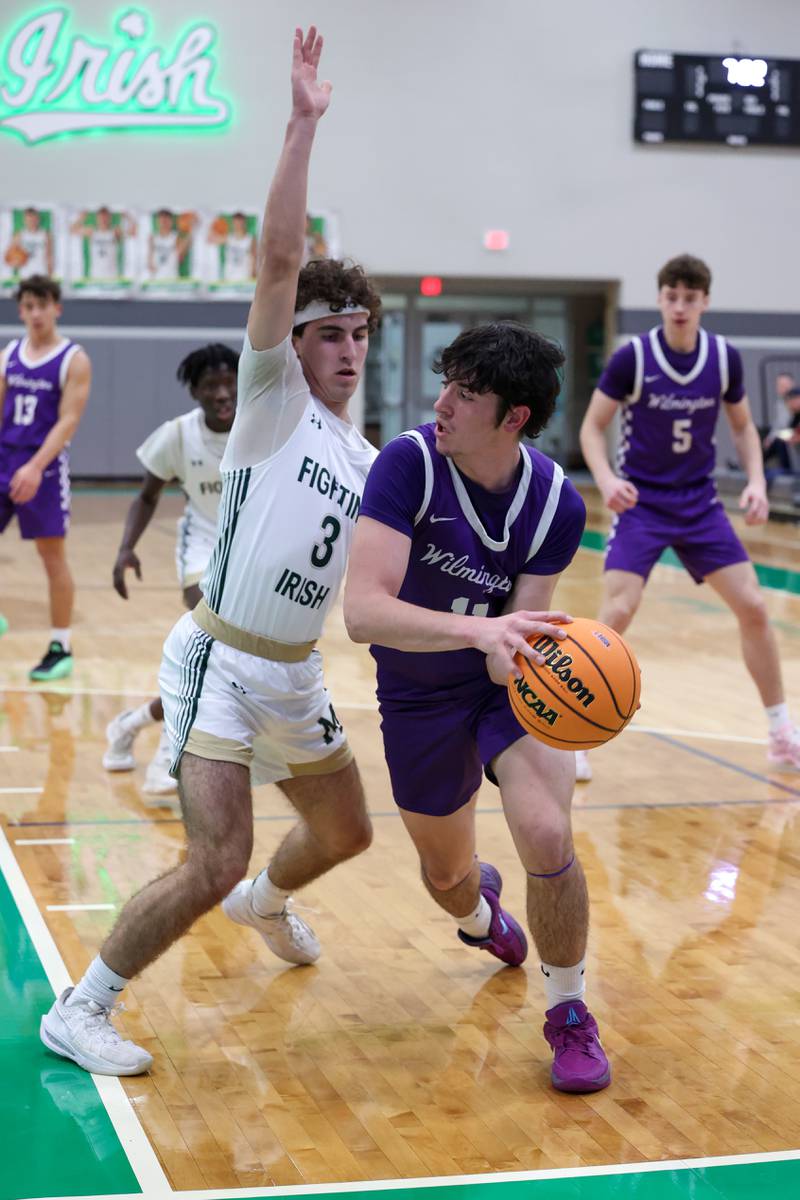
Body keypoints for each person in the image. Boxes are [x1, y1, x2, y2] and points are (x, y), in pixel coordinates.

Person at [41, 26, 381, 1076]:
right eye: (330, 332)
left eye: (359, 333)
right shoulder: (270, 399)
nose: (347, 349)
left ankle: (265, 903)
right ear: (296, 340)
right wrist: (299, 125)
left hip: (297, 671)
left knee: (346, 836)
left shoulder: (367, 457)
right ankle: (84, 1005)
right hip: (219, 661)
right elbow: (279, 257)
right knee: (211, 852)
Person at [343, 322, 611, 1095]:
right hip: (416, 693)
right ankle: (480, 915)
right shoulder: (409, 464)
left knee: (547, 829)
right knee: (447, 875)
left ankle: (569, 1014)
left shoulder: (556, 501)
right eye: (446, 384)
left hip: (506, 689)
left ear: (514, 417)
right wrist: (477, 630)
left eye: (466, 392)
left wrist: (502, 648)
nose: (442, 404)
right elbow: (363, 611)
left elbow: (518, 631)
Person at [578, 253, 800, 783]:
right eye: (671, 297)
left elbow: (744, 429)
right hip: (643, 503)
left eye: (690, 298)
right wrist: (608, 481)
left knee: (752, 606)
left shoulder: (724, 359)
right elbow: (592, 428)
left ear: (704, 302)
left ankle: (779, 732)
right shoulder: (633, 358)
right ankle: (574, 735)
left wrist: (755, 482)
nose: (680, 307)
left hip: (699, 503)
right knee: (620, 611)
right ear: (659, 299)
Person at [103, 343, 239, 799]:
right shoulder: (178, 435)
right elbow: (146, 496)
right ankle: (167, 756)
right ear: (195, 391)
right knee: (212, 645)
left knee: (222, 664)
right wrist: (125, 548)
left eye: (228, 382)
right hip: (200, 550)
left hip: (249, 554)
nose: (222, 393)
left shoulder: (260, 429)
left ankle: (132, 723)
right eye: (210, 385)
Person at [0, 275, 91, 680]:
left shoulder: (73, 359)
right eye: (28, 306)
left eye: (43, 305)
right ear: (20, 311)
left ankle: (60, 645)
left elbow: (68, 420)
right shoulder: (9, 355)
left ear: (57, 307)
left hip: (45, 468)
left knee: (51, 557)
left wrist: (35, 466)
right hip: (4, 458)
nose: (35, 313)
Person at [70, 207, 135, 282]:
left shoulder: (115, 232)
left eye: (106, 217)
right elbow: (72, 230)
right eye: (101, 217)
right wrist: (81, 218)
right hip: (95, 275)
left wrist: (127, 217)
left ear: (110, 218)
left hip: (112, 275)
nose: (103, 220)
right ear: (97, 218)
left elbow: (133, 232)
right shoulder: (91, 231)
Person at [8, 207, 53, 279]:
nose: (31, 222)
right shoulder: (19, 235)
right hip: (25, 272)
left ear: (38, 219)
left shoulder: (46, 234)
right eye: (28, 220)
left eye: (33, 219)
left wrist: (50, 274)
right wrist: (15, 261)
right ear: (24, 220)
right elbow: (10, 254)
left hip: (42, 271)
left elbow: (49, 255)